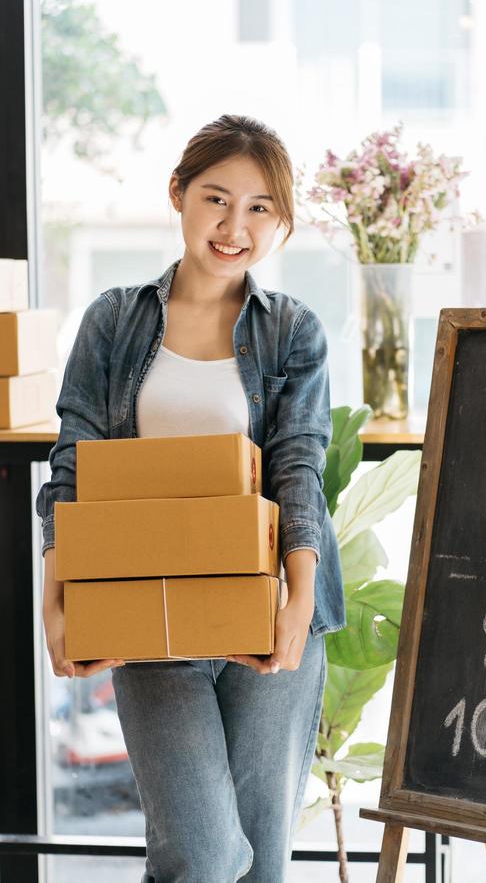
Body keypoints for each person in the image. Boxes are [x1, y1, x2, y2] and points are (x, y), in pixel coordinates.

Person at [36, 114, 346, 883]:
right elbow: (72, 463)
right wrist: (58, 600)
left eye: (260, 208)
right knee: (200, 854)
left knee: (262, 861)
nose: (234, 226)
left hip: (269, 606)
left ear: (282, 222)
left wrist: (297, 606)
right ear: (177, 194)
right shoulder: (114, 320)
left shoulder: (293, 333)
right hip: (147, 614)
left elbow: (298, 467)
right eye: (216, 198)